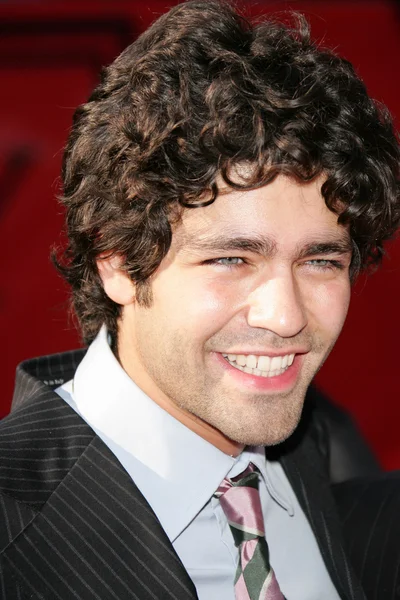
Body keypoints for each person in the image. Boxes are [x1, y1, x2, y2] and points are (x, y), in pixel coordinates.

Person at [1, 1, 399, 599]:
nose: (286, 316)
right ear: (115, 261)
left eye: (321, 261)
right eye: (231, 259)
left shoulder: (334, 462)